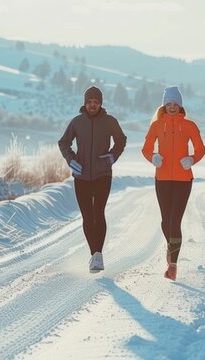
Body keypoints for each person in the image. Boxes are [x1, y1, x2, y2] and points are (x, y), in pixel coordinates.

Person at [58, 85, 127, 273]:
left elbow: (121, 140)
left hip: (102, 174)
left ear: (100, 103)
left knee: (99, 213)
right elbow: (63, 142)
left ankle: (98, 255)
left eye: (96, 102)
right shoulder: (77, 122)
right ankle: (94, 255)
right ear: (85, 103)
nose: (92, 105)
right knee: (88, 216)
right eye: (89, 102)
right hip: (81, 175)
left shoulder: (110, 121)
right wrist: (71, 160)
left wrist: (113, 156)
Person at [141, 86, 205, 281]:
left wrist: (192, 160)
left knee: (175, 220)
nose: (171, 107)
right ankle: (171, 247)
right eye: (168, 104)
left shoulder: (189, 126)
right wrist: (153, 157)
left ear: (180, 105)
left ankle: (173, 265)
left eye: (175, 103)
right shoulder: (156, 126)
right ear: (164, 105)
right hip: (162, 178)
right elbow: (145, 148)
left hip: (183, 179)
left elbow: (201, 148)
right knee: (165, 221)